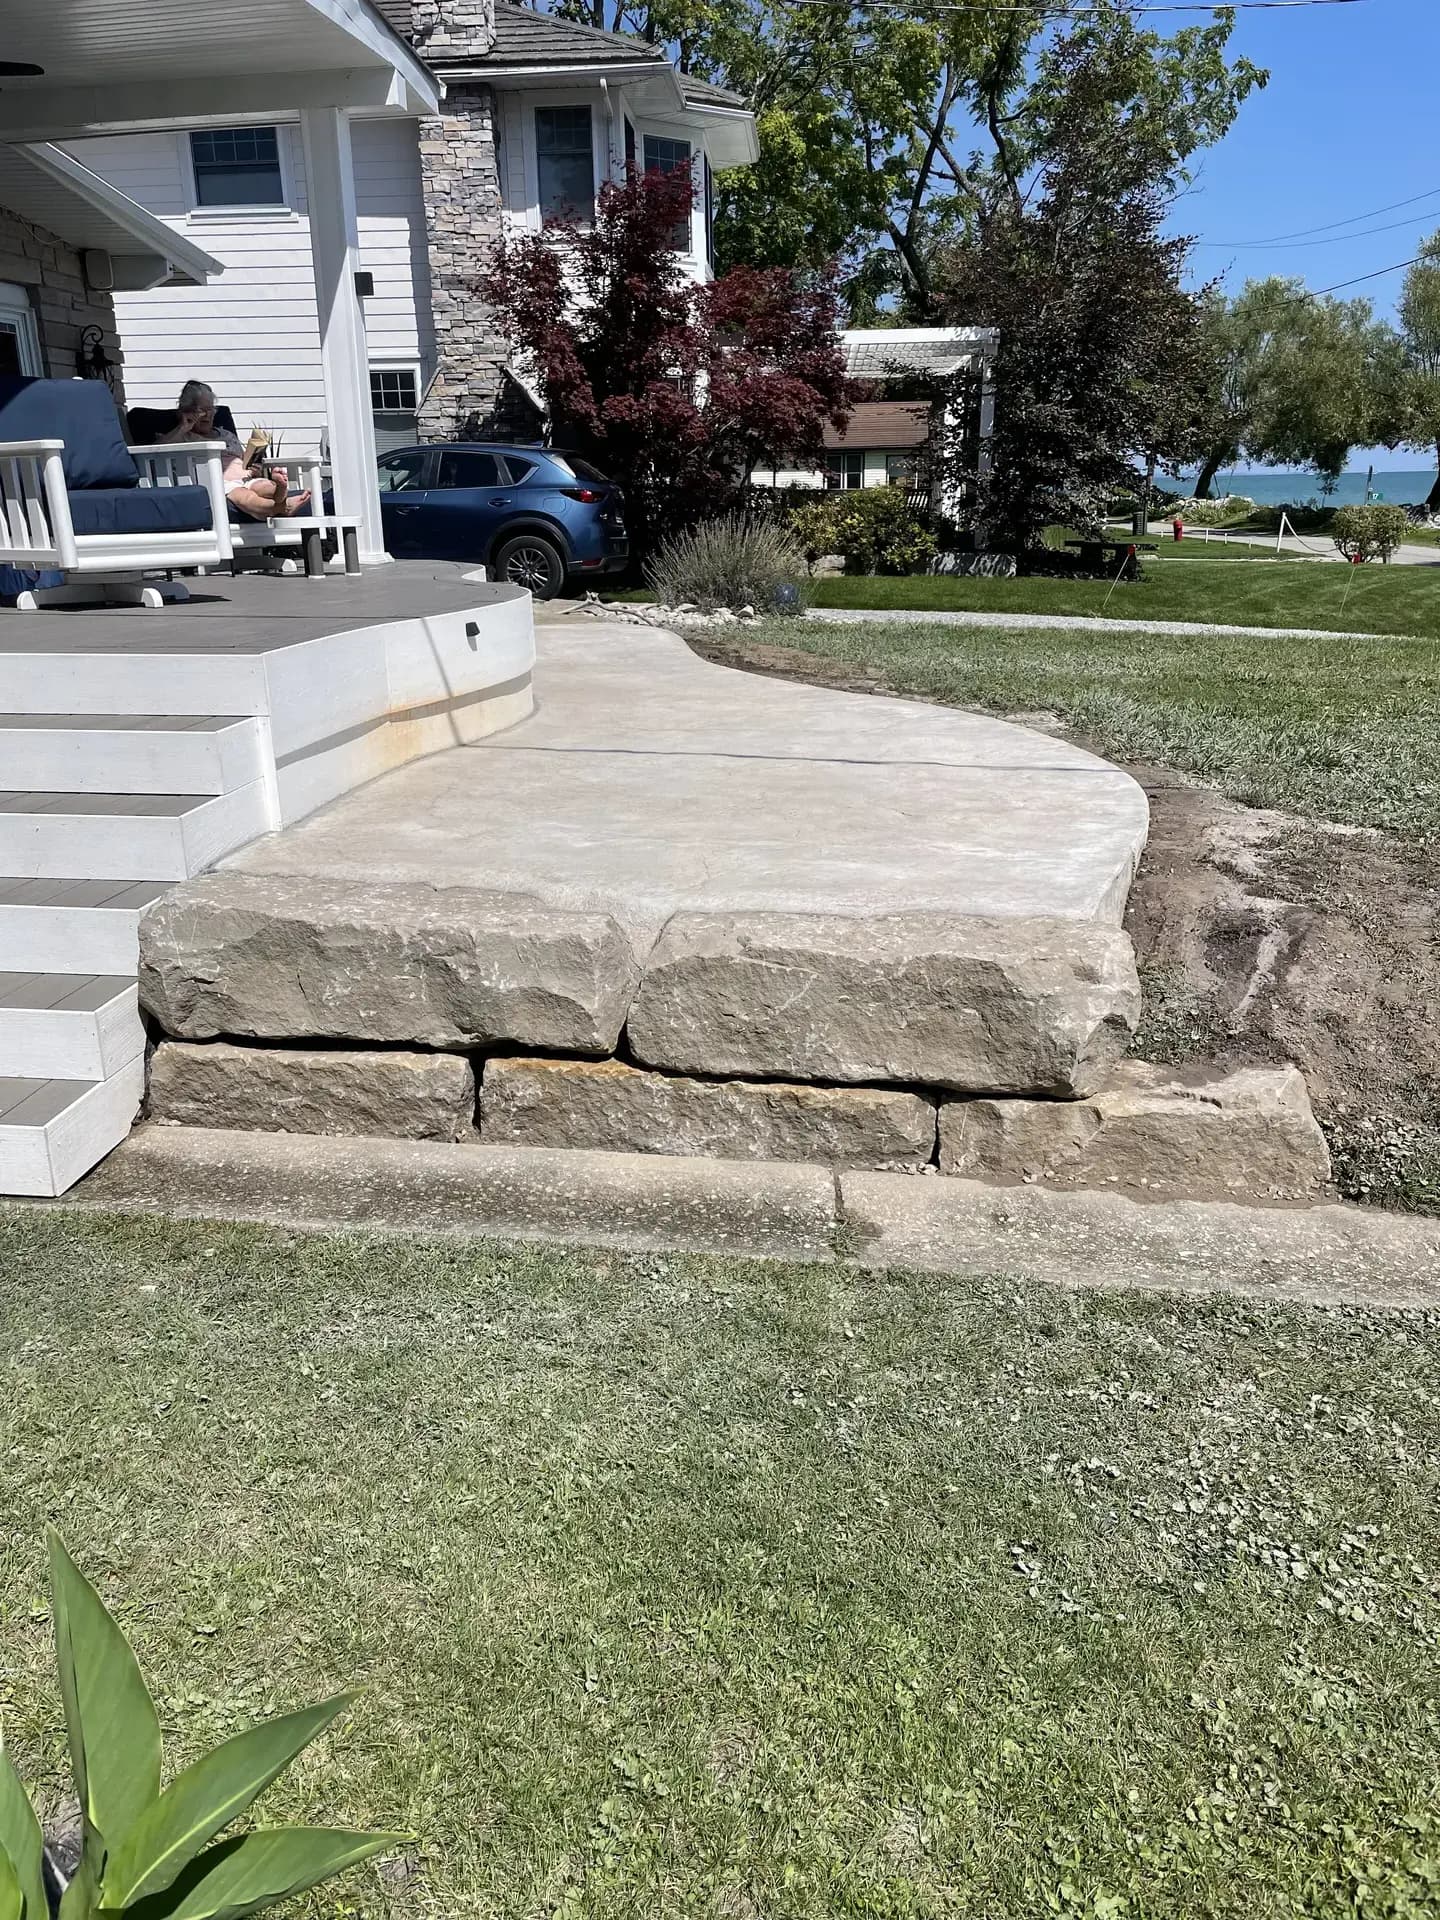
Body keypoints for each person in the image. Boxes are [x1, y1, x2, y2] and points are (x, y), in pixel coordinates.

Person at [160, 380, 310, 519]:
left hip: (246, 478)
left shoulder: (226, 435)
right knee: (246, 497)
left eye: (211, 409)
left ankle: (279, 490)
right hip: (221, 484)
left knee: (264, 486)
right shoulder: (184, 437)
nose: (208, 415)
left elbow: (241, 460)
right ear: (188, 411)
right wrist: (183, 427)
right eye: (201, 410)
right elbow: (158, 449)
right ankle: (282, 507)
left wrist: (253, 466)